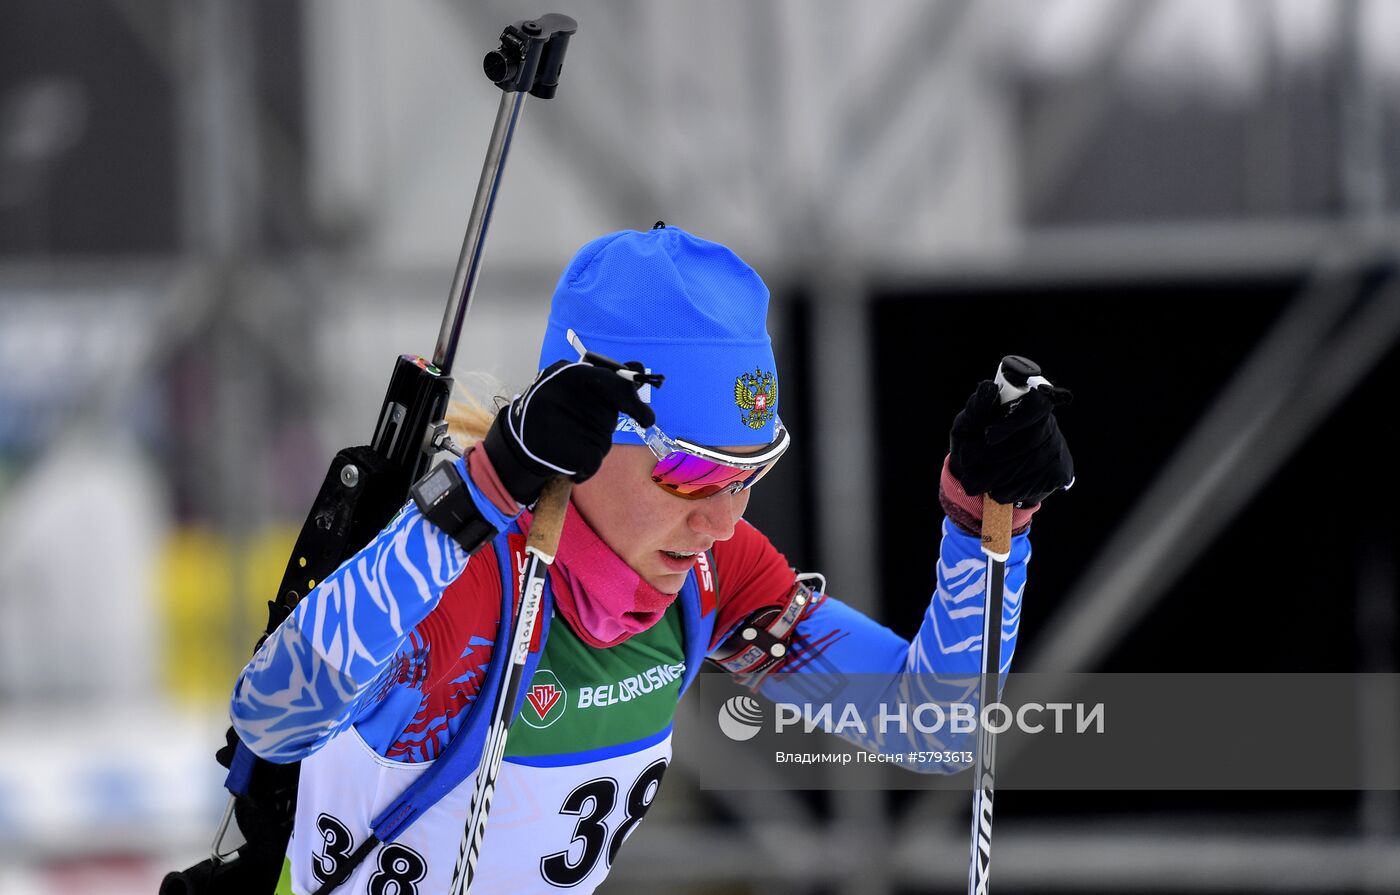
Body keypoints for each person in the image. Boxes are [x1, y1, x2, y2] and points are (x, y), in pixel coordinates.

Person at [230, 223, 1073, 895]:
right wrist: (484, 491)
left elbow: (933, 727)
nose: (719, 518)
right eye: (691, 471)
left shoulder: (707, 577)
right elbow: (272, 718)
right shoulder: (461, 568)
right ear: (587, 437)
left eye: (749, 474)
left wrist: (978, 527)